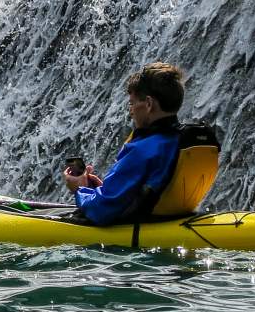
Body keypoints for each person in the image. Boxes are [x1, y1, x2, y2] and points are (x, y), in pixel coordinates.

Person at [62, 62, 198, 225]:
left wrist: (79, 189)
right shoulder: (180, 140)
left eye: (132, 103)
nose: (131, 111)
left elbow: (100, 210)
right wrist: (105, 189)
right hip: (173, 220)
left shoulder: (142, 149)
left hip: (138, 226)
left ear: (148, 104)